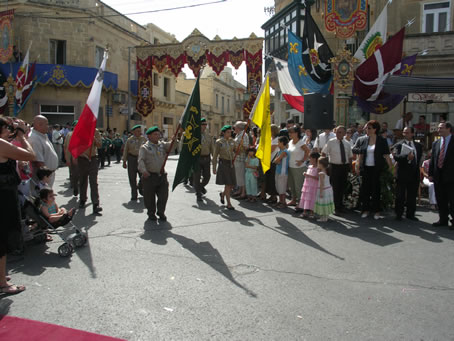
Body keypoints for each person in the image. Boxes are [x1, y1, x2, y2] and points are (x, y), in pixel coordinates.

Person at [0, 116, 36, 294]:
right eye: (7, 128)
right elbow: (31, 155)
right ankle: (2, 283)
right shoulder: (1, 144)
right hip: (3, 195)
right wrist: (22, 137)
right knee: (2, 237)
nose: (9, 131)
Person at [353, 120, 393, 219]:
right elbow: (357, 152)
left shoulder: (381, 140)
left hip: (377, 168)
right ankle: (365, 209)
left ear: (375, 129)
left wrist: (392, 168)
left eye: (369, 128)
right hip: (366, 168)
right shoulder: (363, 140)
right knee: (365, 189)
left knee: (376, 190)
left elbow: (387, 155)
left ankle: (377, 211)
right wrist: (358, 165)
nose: (367, 130)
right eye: (366, 128)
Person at [138, 126, 174, 221]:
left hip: (162, 175)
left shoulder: (162, 145)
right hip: (150, 176)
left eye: (158, 134)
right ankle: (151, 213)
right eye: (155, 134)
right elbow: (140, 161)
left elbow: (171, 146)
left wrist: (175, 140)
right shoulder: (144, 148)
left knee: (163, 196)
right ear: (149, 136)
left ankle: (161, 212)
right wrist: (144, 171)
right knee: (149, 197)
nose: (158, 136)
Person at [392, 127, 423, 221]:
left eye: (407, 132)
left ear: (412, 134)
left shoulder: (418, 146)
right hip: (403, 173)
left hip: (414, 173)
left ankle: (410, 214)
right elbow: (396, 157)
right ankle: (399, 213)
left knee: (412, 195)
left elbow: (419, 159)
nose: (405, 134)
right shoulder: (399, 145)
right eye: (404, 132)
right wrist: (407, 157)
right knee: (400, 194)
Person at [322, 126, 353, 215]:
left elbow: (350, 156)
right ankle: (335, 206)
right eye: (337, 132)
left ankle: (340, 205)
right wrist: (324, 166)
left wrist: (350, 167)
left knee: (342, 187)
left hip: (344, 167)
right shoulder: (331, 142)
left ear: (344, 133)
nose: (338, 134)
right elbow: (324, 153)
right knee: (335, 187)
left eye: (340, 132)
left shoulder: (347, 143)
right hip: (334, 167)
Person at [429, 121, 454, 229]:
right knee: (441, 199)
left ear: (448, 129)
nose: (438, 130)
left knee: (452, 200)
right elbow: (433, 159)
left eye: (441, 128)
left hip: (451, 176)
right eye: (438, 128)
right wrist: (430, 174)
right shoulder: (436, 143)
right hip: (438, 176)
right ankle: (443, 219)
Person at [28, 115, 58, 188]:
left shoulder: (42, 135)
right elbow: (38, 161)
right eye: (46, 124)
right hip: (44, 176)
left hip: (48, 174)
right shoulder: (34, 138)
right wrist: (45, 177)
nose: (48, 126)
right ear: (39, 125)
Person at [77, 129, 103, 214]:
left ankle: (96, 204)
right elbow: (75, 145)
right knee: (83, 180)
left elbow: (99, 145)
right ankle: (82, 199)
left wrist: (94, 139)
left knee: (93, 182)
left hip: (93, 159)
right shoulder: (80, 129)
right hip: (82, 159)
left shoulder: (95, 131)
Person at [212, 125, 236, 210]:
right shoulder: (219, 142)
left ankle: (223, 194)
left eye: (230, 132)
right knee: (228, 184)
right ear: (223, 133)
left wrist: (240, 148)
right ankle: (229, 203)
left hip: (231, 164)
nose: (229, 134)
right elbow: (215, 156)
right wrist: (214, 167)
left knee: (231, 184)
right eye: (228, 132)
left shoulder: (232, 141)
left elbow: (237, 151)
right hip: (223, 164)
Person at [287, 126, 310, 207]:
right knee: (292, 185)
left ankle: (301, 203)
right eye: (289, 132)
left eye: (291, 132)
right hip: (290, 166)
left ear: (297, 133)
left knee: (298, 186)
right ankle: (293, 200)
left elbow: (308, 151)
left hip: (299, 168)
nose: (289, 134)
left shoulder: (301, 142)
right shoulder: (290, 142)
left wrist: (302, 161)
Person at [123, 125, 147, 201]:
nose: (139, 132)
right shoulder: (129, 140)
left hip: (141, 159)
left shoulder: (143, 139)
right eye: (137, 131)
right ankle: (134, 194)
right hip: (132, 159)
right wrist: (124, 161)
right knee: (132, 177)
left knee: (143, 176)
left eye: (140, 131)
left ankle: (140, 187)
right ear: (133, 132)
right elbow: (125, 151)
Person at [193, 118, 213, 202]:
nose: (204, 126)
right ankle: (198, 194)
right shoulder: (194, 135)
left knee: (207, 176)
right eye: (203, 125)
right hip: (197, 158)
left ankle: (200, 187)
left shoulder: (208, 135)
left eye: (205, 125)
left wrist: (213, 157)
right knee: (196, 177)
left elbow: (211, 146)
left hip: (206, 158)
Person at [259, 124, 279, 204]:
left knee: (272, 180)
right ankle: (270, 195)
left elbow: (270, 150)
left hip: (273, 162)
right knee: (268, 180)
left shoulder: (276, 139)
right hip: (267, 161)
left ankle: (274, 197)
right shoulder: (271, 139)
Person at [298, 152, 320, 219]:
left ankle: (311, 212)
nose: (309, 159)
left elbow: (318, 178)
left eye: (310, 158)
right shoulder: (309, 167)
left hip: (314, 186)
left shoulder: (318, 168)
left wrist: (308, 175)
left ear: (315, 159)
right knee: (306, 198)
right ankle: (304, 211)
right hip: (307, 185)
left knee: (313, 198)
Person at [314, 157, 335, 222]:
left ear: (321, 164)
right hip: (328, 189)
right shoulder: (327, 171)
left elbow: (321, 184)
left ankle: (323, 218)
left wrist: (320, 192)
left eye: (318, 163)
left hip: (323, 190)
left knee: (322, 203)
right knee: (327, 202)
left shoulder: (321, 173)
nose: (317, 164)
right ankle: (326, 216)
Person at [232, 121, 249, 200]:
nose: (233, 128)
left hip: (241, 158)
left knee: (241, 176)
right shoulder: (238, 134)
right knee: (238, 176)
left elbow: (246, 147)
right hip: (236, 158)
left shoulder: (243, 135)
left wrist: (240, 146)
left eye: (234, 127)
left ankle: (243, 193)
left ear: (238, 128)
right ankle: (239, 190)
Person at [63, 120, 79, 197]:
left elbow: (65, 146)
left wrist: (67, 158)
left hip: (71, 157)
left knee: (72, 171)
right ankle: (75, 184)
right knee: (77, 172)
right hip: (77, 157)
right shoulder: (75, 134)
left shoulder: (68, 134)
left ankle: (73, 183)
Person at [274, 136, 290, 209]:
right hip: (278, 171)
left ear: (282, 143)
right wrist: (277, 160)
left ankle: (283, 202)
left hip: (282, 172)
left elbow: (276, 161)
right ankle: (280, 201)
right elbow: (276, 161)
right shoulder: (279, 151)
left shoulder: (284, 152)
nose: (277, 143)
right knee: (278, 187)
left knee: (282, 188)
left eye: (279, 142)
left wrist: (277, 160)